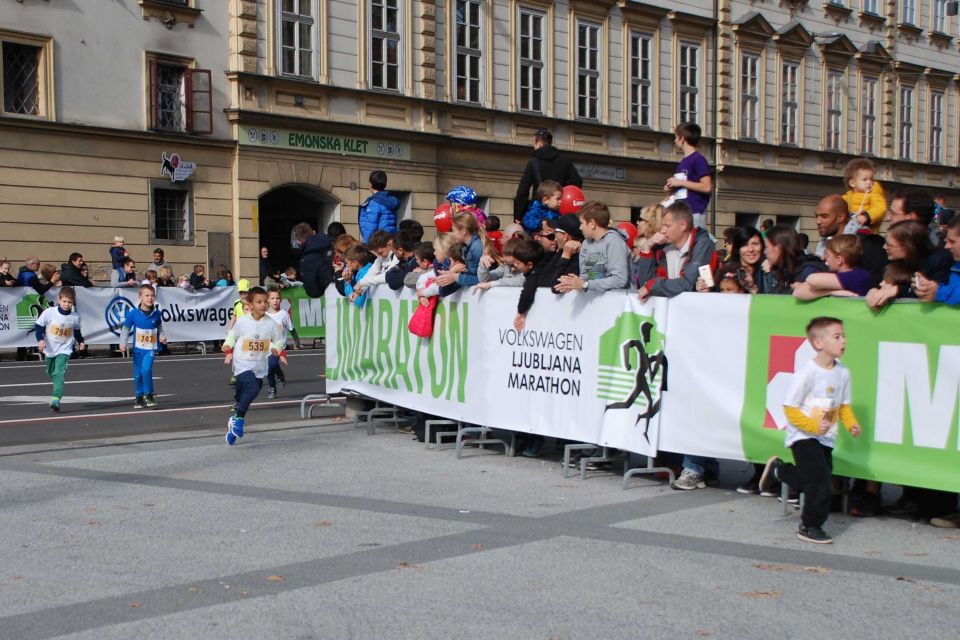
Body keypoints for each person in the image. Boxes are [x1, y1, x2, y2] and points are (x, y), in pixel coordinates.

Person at [759, 317, 862, 544]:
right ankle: (810, 526)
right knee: (820, 483)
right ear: (818, 343)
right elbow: (790, 407)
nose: (843, 341)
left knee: (815, 479)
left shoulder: (843, 372)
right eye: (837, 337)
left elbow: (843, 405)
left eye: (843, 336)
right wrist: (812, 426)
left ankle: (780, 472)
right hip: (803, 436)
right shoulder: (807, 372)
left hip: (826, 437)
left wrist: (851, 423)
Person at [222, 286, 286, 445]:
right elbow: (232, 335)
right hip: (242, 363)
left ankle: (234, 424)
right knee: (253, 388)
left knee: (244, 393)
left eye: (265, 301)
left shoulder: (270, 324)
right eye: (259, 302)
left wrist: (277, 349)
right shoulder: (243, 321)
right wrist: (227, 346)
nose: (263, 305)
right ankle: (238, 419)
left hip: (259, 365)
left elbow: (280, 339)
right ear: (250, 305)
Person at [633, 202, 718, 300]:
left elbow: (688, 283)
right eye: (663, 225)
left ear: (683, 225)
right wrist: (647, 248)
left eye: (667, 226)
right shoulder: (664, 248)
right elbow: (646, 284)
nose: (662, 230)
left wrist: (654, 286)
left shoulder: (703, 245)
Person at [865, 220, 952, 308]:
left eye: (889, 245)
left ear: (908, 247)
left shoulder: (937, 261)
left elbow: (937, 296)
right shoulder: (893, 258)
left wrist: (897, 290)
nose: (884, 247)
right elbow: (877, 279)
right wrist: (874, 289)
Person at [813, 194, 886, 288]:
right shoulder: (823, 247)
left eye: (824, 216)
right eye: (817, 216)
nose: (818, 221)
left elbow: (873, 285)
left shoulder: (867, 247)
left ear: (840, 217)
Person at [555, 201, 630, 293]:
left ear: (591, 223)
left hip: (618, 301)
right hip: (595, 301)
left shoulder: (614, 242)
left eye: (581, 223)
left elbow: (620, 280)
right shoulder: (587, 243)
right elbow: (588, 275)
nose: (580, 228)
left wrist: (585, 285)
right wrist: (572, 283)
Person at [514, 128, 583, 222]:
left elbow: (523, 191)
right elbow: (577, 181)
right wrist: (561, 195)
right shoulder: (565, 160)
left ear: (539, 143)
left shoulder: (534, 162)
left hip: (539, 212)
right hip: (559, 213)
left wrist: (519, 215)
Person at [34, 286, 86, 412]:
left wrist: (81, 341)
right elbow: (39, 327)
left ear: (73, 302)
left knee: (59, 373)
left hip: (65, 348)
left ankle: (56, 398)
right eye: (64, 301)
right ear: (59, 300)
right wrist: (40, 340)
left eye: (70, 302)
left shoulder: (75, 317)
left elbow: (77, 331)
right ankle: (56, 382)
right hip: (50, 348)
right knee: (51, 372)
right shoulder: (49, 312)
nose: (67, 304)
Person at [119, 284, 166, 409]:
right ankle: (139, 397)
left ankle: (149, 394)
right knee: (138, 374)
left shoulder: (157, 313)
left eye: (152, 296)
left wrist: (161, 336)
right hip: (138, 349)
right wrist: (123, 343)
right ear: (140, 297)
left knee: (146, 369)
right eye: (147, 296)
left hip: (150, 348)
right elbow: (126, 328)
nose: (150, 298)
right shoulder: (133, 313)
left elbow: (159, 327)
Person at [663, 123, 712, 229]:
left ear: (682, 138)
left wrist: (680, 182)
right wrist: (672, 190)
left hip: (694, 211)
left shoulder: (698, 159)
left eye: (676, 137)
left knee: (693, 242)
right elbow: (685, 188)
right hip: (682, 212)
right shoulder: (683, 162)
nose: (675, 141)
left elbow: (707, 187)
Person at [792, 235, 873, 300]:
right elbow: (798, 293)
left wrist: (822, 291)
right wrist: (832, 292)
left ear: (839, 259)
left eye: (827, 255)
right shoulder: (836, 275)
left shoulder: (859, 276)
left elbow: (811, 279)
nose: (824, 258)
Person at [759, 225, 826, 294]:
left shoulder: (809, 272)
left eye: (766, 247)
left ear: (778, 248)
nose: (765, 252)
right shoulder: (782, 271)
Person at [434, 213, 482, 293]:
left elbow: (480, 278)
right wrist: (451, 273)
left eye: (454, 230)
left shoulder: (476, 247)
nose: (452, 233)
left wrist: (455, 276)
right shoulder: (467, 247)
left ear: (463, 231)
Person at [266, 288, 301, 399]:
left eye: (277, 298)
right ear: (268, 300)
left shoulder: (284, 314)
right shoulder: (264, 315)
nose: (275, 301)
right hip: (266, 347)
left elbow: (292, 329)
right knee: (269, 368)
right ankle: (276, 379)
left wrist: (297, 341)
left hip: (279, 347)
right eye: (272, 298)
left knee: (271, 364)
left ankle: (274, 384)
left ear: (280, 300)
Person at [916, 215, 960, 304]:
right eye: (946, 241)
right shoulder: (956, 266)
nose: (946, 246)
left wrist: (937, 291)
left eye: (952, 241)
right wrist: (926, 288)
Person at [841, 158, 886, 234]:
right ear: (852, 183)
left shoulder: (874, 195)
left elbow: (880, 208)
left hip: (867, 231)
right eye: (865, 179)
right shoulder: (846, 197)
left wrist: (867, 216)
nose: (869, 182)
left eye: (871, 179)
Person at [292, 222, 334, 298]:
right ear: (313, 232)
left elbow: (313, 291)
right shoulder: (332, 242)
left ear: (299, 241)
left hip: (331, 295)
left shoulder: (307, 260)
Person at [358, 170, 400, 243]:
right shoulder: (390, 201)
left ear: (370, 184)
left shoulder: (374, 202)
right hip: (389, 241)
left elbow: (370, 226)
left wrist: (366, 244)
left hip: (378, 244)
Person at [354, 229, 398, 294]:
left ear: (389, 244)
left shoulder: (397, 256)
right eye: (377, 253)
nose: (379, 256)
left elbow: (386, 276)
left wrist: (362, 283)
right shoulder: (381, 257)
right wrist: (360, 290)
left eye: (381, 252)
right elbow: (371, 272)